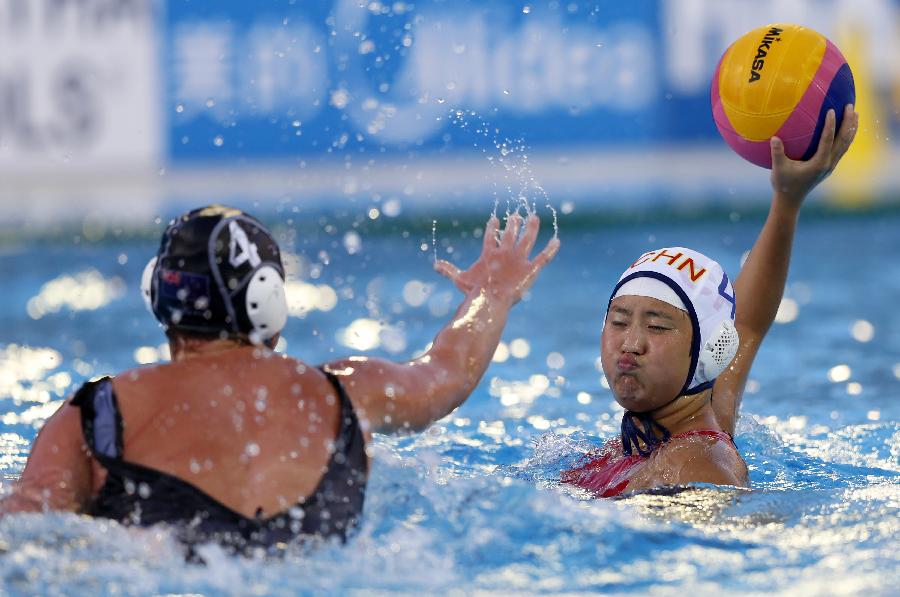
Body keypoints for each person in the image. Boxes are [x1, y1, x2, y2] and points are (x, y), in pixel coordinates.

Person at [0, 205, 558, 553]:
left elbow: (25, 526)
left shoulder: (96, 415)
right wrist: (493, 293)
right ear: (267, 300)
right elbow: (445, 376)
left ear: (158, 296)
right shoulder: (345, 391)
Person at [563, 105, 859, 497]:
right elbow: (748, 324)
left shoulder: (697, 467)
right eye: (619, 321)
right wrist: (787, 201)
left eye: (656, 325)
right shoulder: (684, 424)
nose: (630, 343)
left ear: (708, 354)